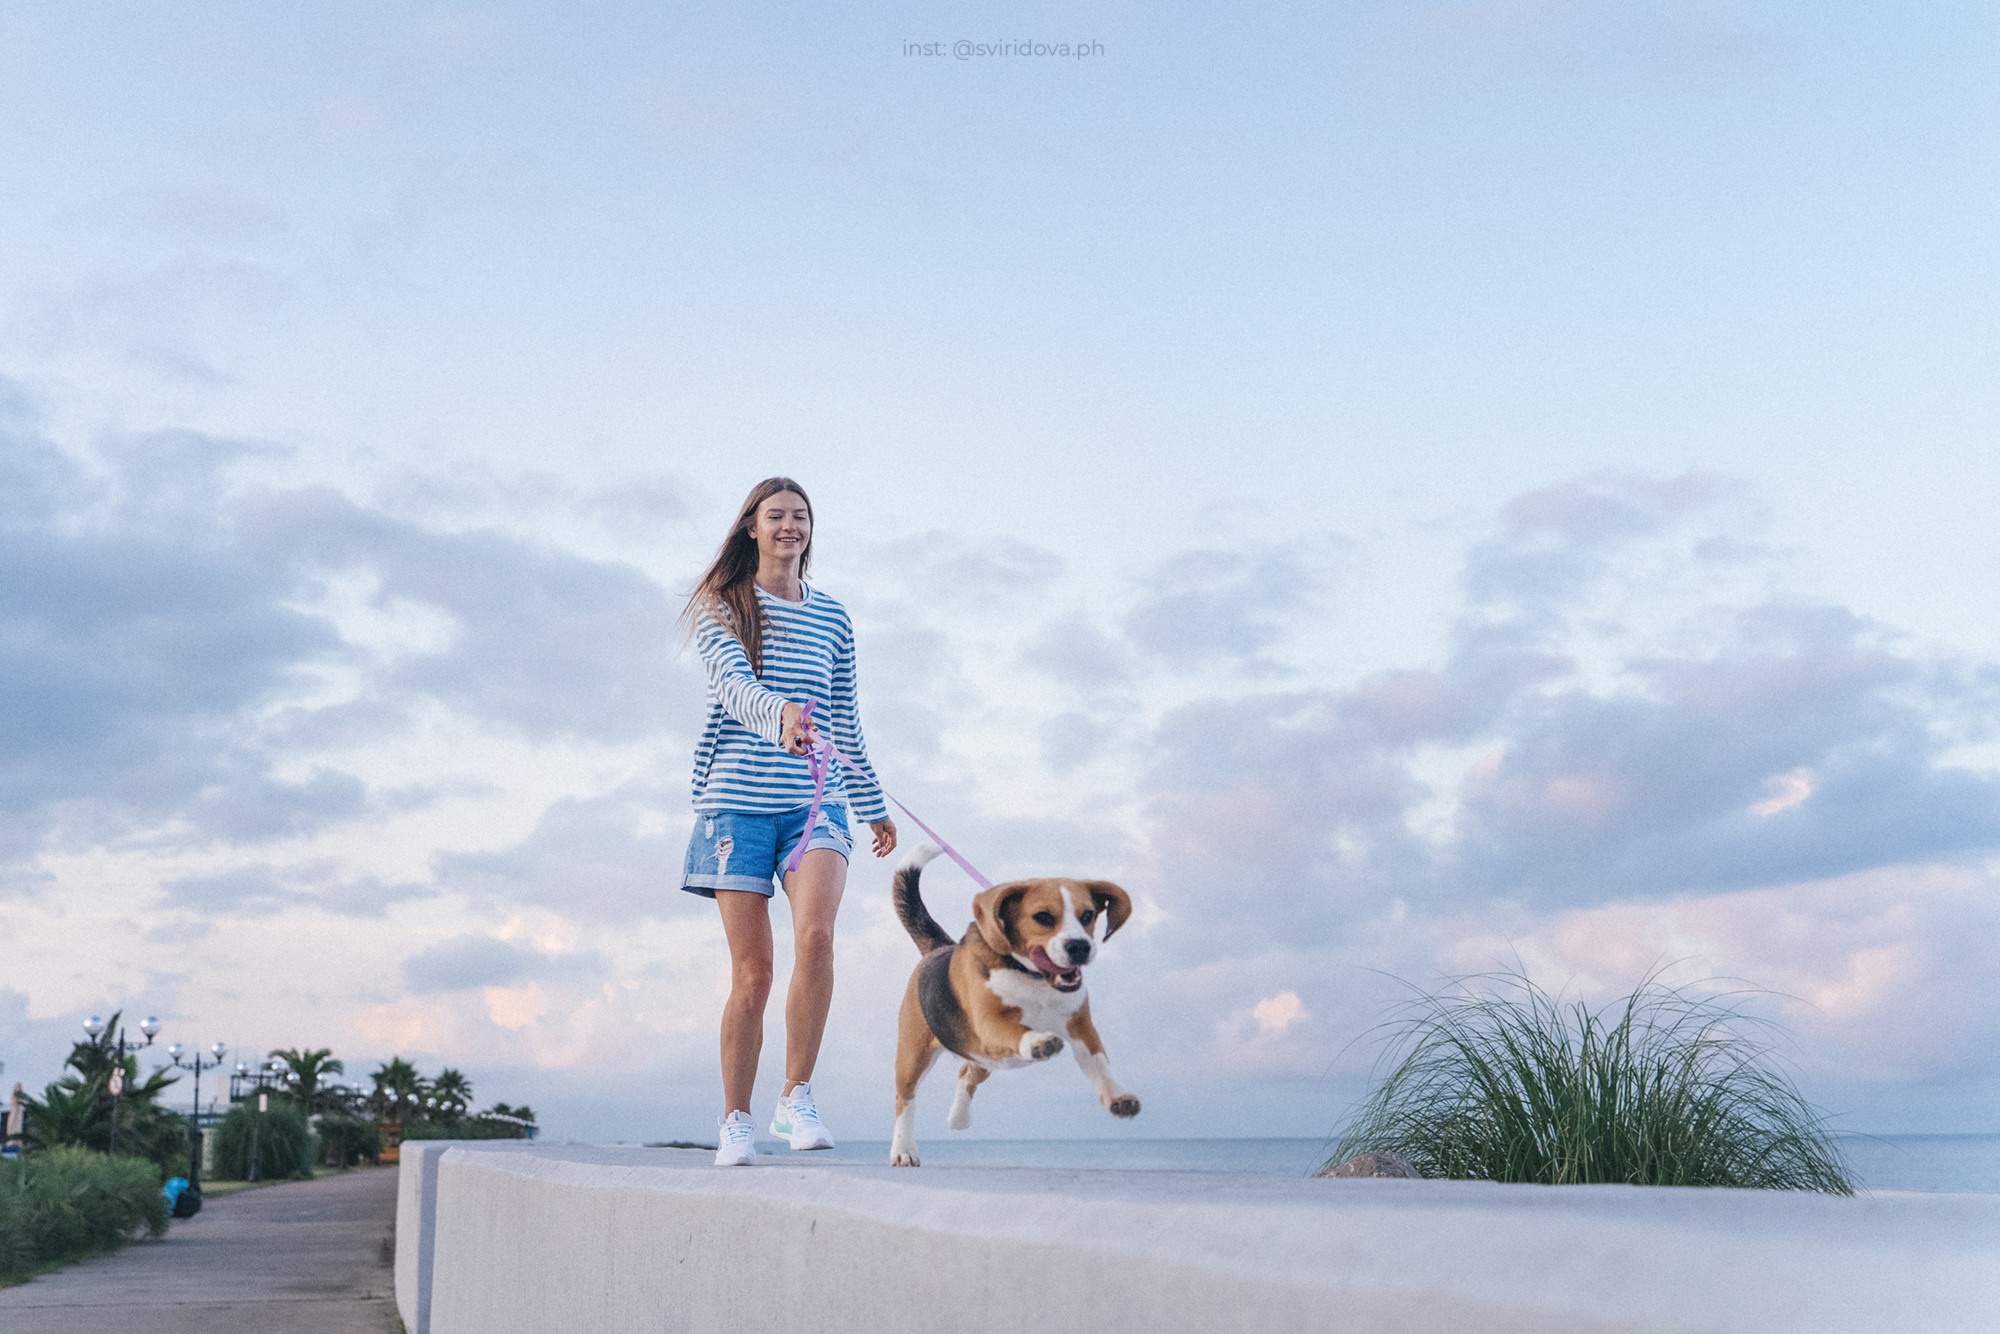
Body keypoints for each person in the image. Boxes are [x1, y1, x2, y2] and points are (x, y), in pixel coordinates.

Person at [680, 477, 896, 1166]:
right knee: (754, 974)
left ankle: (795, 1097)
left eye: (800, 516)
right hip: (736, 803)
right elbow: (734, 686)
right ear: (751, 527)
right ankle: (735, 1120)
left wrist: (872, 806)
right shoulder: (725, 605)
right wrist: (780, 716)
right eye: (775, 516)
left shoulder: (833, 616)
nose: (789, 526)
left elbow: (846, 720)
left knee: (819, 937)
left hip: (816, 800)